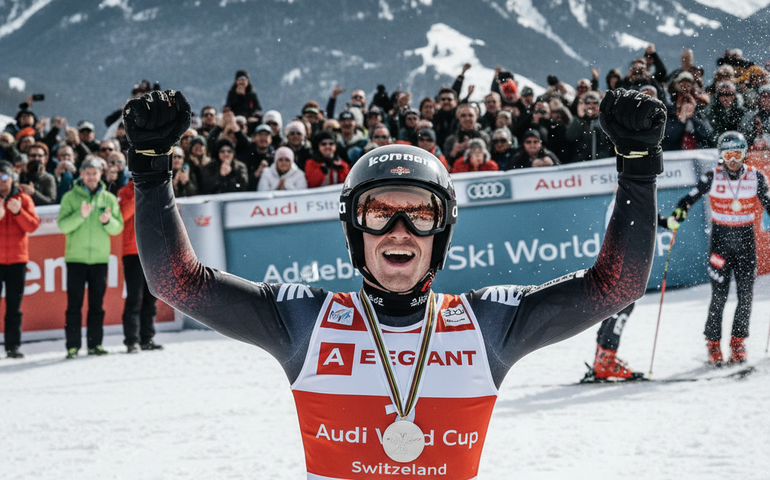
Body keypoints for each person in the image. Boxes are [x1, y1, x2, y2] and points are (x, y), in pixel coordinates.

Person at [122, 88, 664, 479]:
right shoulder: (304, 322)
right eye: (379, 212)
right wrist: (150, 171)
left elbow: (615, 287)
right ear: (355, 230)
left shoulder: (486, 325)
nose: (399, 231)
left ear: (442, 231)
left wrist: (638, 170)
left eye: (420, 215)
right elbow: (177, 283)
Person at [666, 131, 770, 366]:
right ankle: (713, 344)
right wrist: (676, 218)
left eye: (737, 154)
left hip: (745, 243)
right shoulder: (712, 176)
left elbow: (768, 203)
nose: (733, 159)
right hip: (720, 243)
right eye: (727, 154)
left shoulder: (756, 177)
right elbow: (687, 200)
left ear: (744, 154)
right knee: (719, 296)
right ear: (721, 155)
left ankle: (738, 342)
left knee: (746, 295)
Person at [57, 157, 123, 359]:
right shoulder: (70, 197)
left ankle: (95, 345)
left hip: (100, 260)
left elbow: (117, 227)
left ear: (100, 175)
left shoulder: (109, 198)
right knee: (74, 305)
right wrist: (81, 215)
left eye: (95, 173)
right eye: (88, 173)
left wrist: (107, 221)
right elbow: (63, 226)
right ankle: (73, 346)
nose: (92, 177)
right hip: (76, 259)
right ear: (82, 175)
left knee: (96, 305)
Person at [0, 161, 40, 358]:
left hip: (17, 260)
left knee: (14, 306)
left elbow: (33, 226)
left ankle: (12, 346)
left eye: (5, 177)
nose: (2, 182)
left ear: (12, 178)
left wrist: (17, 212)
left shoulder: (23, 199)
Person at [117, 179, 162, 354]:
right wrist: (140, 193)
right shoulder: (125, 192)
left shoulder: (156, 188)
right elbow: (122, 215)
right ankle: (131, 340)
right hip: (132, 251)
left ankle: (147, 338)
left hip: (152, 250)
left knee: (151, 298)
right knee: (134, 298)